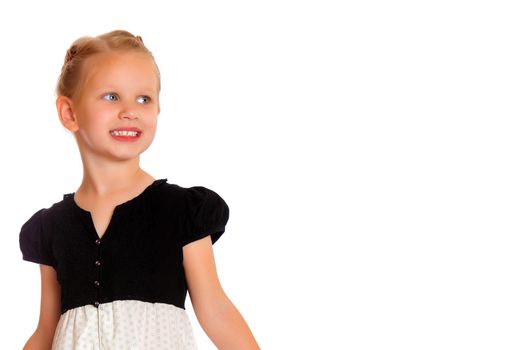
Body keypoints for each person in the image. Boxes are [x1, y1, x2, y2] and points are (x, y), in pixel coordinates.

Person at [19, 29, 260, 350]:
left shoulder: (181, 210)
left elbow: (216, 311)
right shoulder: (51, 227)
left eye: (143, 98)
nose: (130, 109)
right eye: (111, 96)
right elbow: (46, 330)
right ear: (70, 112)